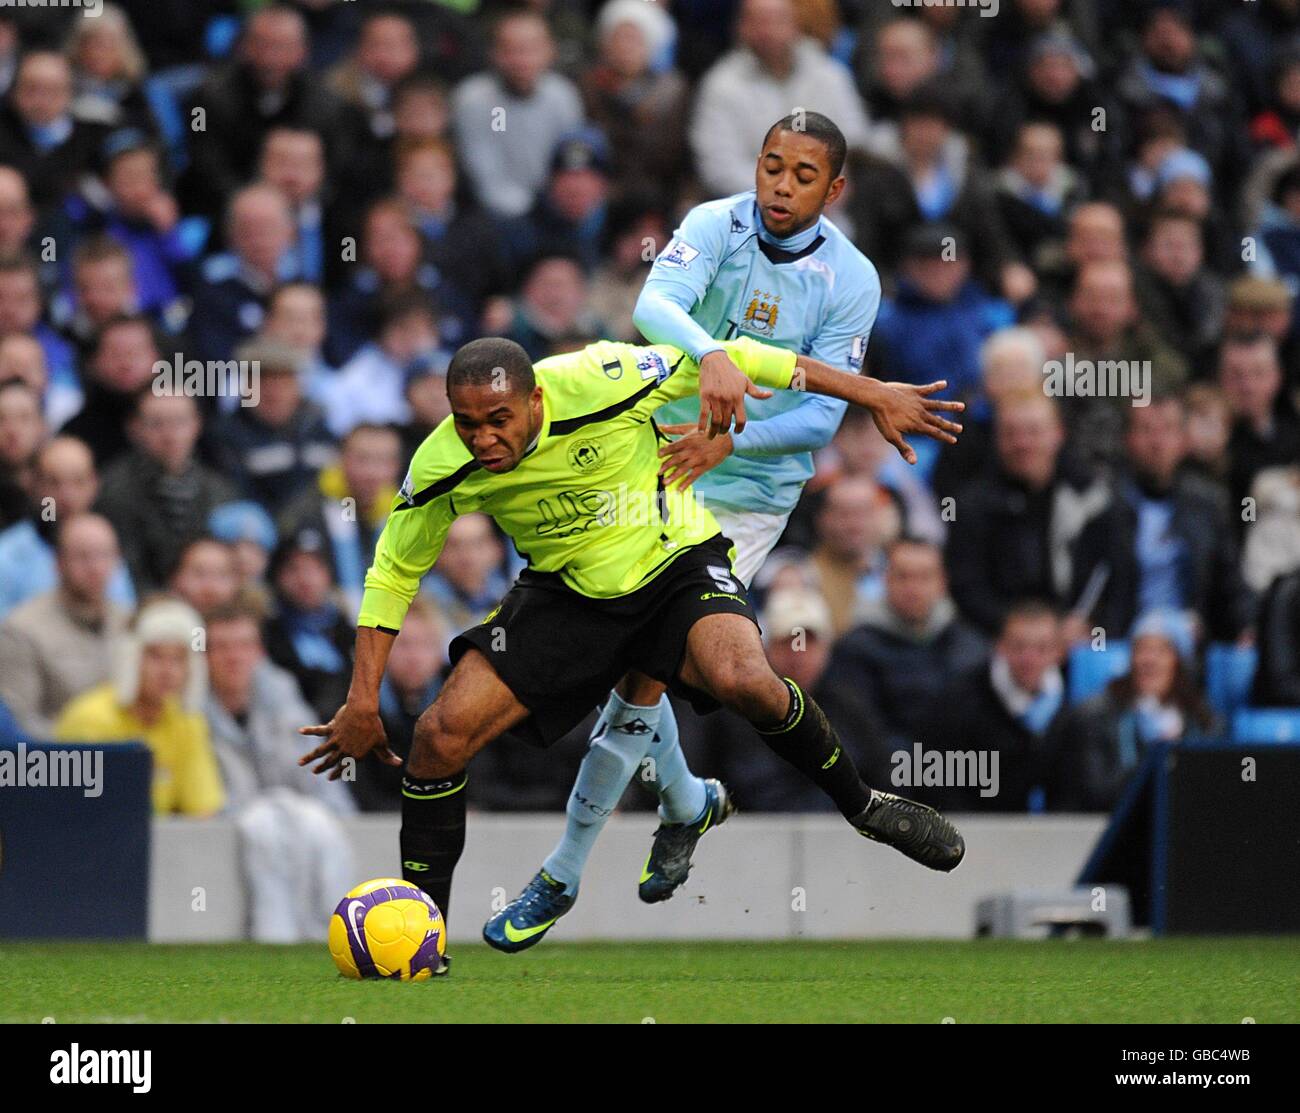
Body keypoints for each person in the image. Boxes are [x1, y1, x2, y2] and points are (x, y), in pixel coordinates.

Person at [298, 330, 965, 976]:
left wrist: (870, 391)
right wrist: (362, 697)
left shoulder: (605, 377)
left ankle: (865, 806)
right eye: (467, 422)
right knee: (438, 736)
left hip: (674, 563)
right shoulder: (442, 463)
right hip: (567, 592)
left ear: (535, 401)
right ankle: (425, 936)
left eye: (498, 419)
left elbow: (744, 358)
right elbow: (391, 573)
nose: (483, 437)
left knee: (746, 679)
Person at [490, 112, 891, 949]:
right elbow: (653, 304)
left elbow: (822, 413)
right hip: (655, 461)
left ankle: (563, 873)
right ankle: (686, 801)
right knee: (630, 660)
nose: (780, 186)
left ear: (834, 189)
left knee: (639, 668)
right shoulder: (714, 223)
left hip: (746, 494)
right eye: (770, 166)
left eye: (802, 175)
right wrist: (714, 360)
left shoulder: (851, 279)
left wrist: (730, 434)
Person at [56, 596, 225, 818]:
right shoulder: (91, 718)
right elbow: (77, 814)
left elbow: (203, 810)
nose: (168, 671)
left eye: (179, 659)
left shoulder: (188, 722)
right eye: (155, 656)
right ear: (130, 657)